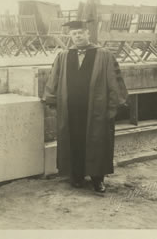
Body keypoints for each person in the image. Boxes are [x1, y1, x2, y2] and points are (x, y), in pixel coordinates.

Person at [43, 20, 127, 193]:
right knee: (74, 140)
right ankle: (77, 176)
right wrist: (51, 98)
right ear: (70, 36)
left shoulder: (104, 55)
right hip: (70, 108)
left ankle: (98, 179)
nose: (78, 36)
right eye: (74, 34)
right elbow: (54, 78)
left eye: (81, 32)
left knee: (97, 141)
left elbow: (114, 80)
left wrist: (114, 104)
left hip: (96, 108)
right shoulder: (64, 55)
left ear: (88, 34)